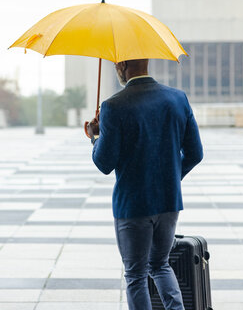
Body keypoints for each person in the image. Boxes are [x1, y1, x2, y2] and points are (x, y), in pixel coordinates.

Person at [86, 59, 203, 310]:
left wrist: (95, 136)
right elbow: (195, 153)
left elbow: (104, 163)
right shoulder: (178, 99)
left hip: (133, 206)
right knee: (160, 265)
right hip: (169, 202)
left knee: (136, 276)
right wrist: (169, 179)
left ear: (123, 65)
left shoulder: (113, 106)